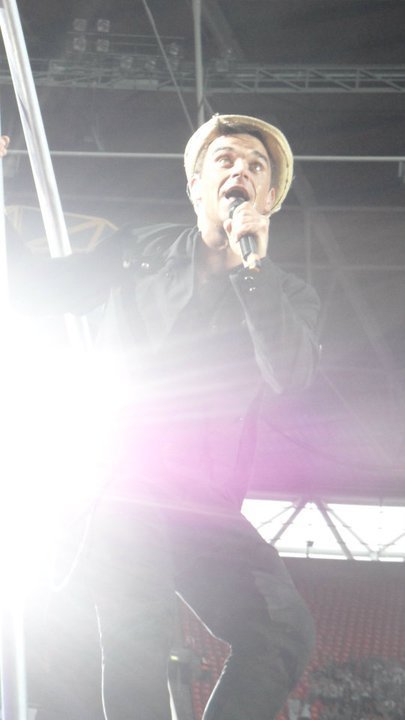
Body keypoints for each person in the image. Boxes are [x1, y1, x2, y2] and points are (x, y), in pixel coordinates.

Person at [6, 114, 320, 720]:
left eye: (256, 166)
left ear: (269, 199)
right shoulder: (138, 254)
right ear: (197, 186)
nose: (241, 170)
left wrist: (254, 274)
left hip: (201, 503)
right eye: (226, 159)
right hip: (118, 479)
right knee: (141, 634)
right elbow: (33, 289)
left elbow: (291, 373)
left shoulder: (285, 293)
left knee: (283, 630)